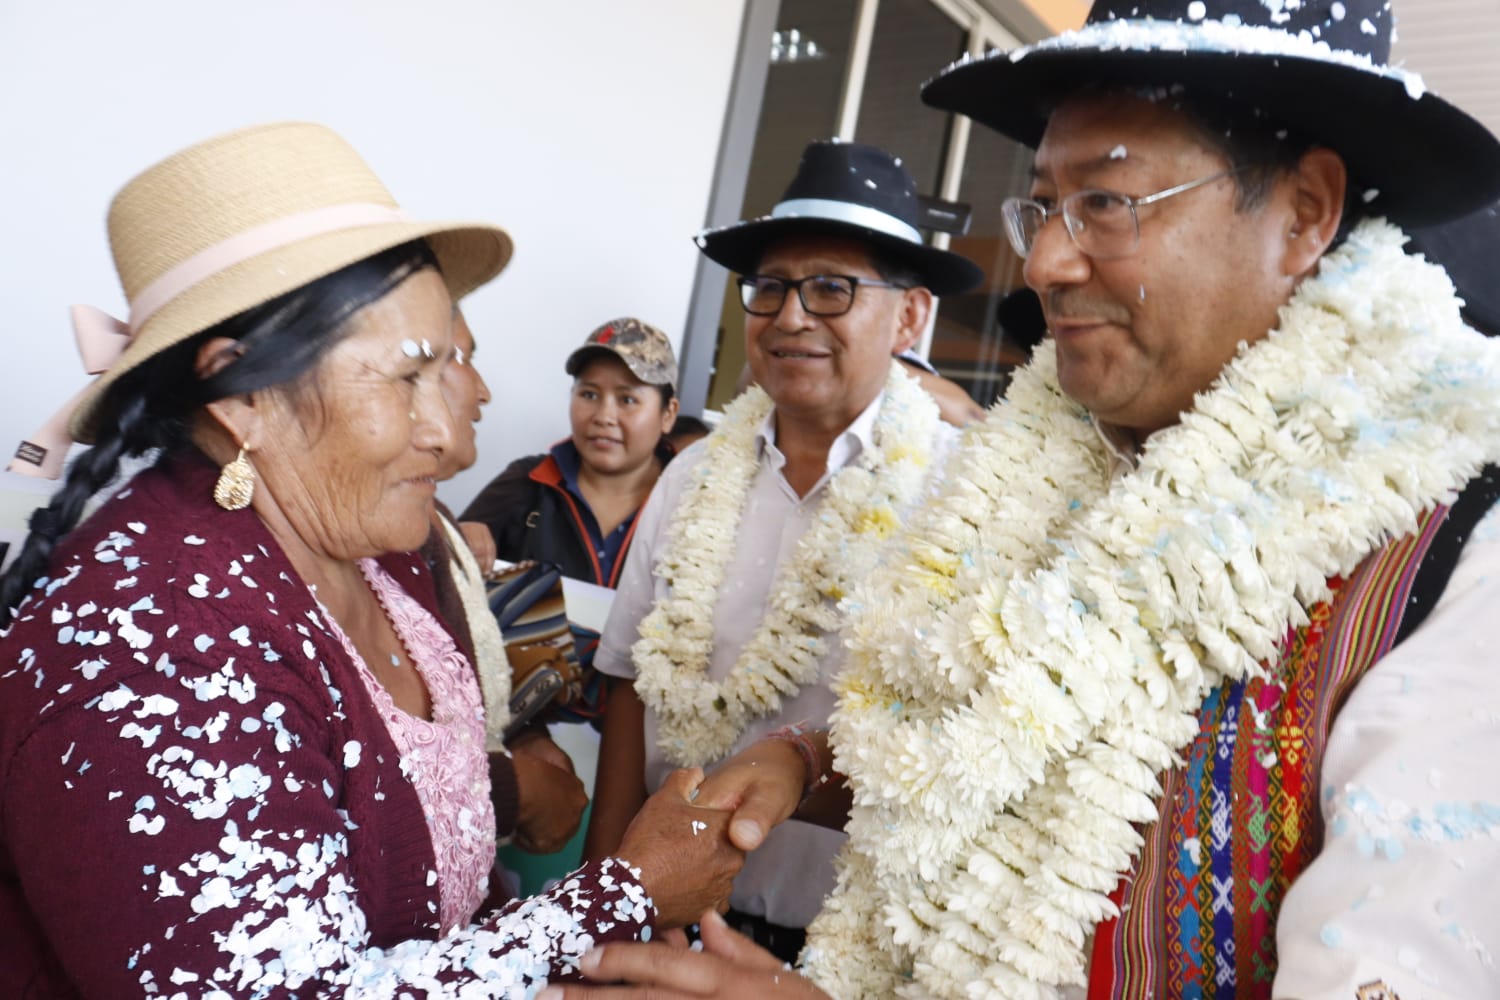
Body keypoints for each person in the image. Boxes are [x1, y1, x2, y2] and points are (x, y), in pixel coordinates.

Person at [548, 1, 1500, 998]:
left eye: (1109, 202)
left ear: (1303, 211)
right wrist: (802, 761)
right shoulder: (1040, 476)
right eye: (1045, 206)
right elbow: (980, 757)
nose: (1045, 262)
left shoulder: (1452, 564)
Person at [0, 121, 746, 998]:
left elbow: (429, 914)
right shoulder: (154, 642)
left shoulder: (382, 552)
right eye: (410, 375)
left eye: (452, 368)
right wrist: (621, 897)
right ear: (245, 396)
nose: (453, 437)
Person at [581, 138, 982, 963]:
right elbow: (628, 690)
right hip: (666, 922)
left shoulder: (964, 495)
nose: (791, 317)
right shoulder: (691, 474)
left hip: (851, 950)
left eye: (832, 288)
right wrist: (605, 899)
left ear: (909, 316)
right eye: (769, 288)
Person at [424, 307, 589, 858]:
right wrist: (517, 790)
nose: (484, 391)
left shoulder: (430, 520)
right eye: (460, 359)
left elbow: (464, 689)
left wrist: (525, 737)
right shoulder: (522, 483)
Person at [460, 318, 679, 589]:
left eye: (627, 400)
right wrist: (458, 538)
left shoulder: (691, 505)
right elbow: (443, 568)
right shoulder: (527, 482)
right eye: (589, 395)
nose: (604, 416)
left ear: (668, 414)